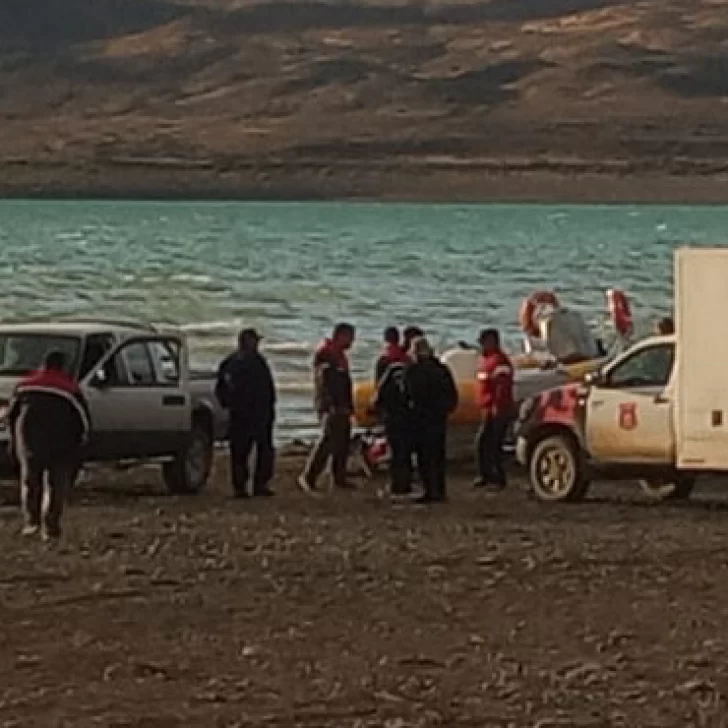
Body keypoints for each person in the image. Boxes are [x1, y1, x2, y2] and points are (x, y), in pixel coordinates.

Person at [7, 350, 90, 540]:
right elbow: (83, 421)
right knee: (55, 485)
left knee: (30, 482)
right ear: (62, 367)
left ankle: (31, 523)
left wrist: (14, 441)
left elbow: (11, 416)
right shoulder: (69, 389)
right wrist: (82, 444)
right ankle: (50, 528)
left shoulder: (24, 386)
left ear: (42, 364)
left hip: (28, 440)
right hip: (61, 443)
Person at [215, 328, 276, 498]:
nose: (257, 344)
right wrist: (230, 405)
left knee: (255, 452)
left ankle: (254, 485)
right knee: (243, 452)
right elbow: (222, 389)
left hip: (255, 413)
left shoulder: (248, 361)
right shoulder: (238, 363)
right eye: (254, 341)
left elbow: (221, 390)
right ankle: (245, 486)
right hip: (246, 414)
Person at [299, 322, 356, 493]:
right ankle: (309, 476)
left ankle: (339, 476)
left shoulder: (338, 355)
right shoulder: (327, 355)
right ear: (340, 336)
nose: (352, 342)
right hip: (332, 406)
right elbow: (325, 383)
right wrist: (332, 405)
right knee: (328, 440)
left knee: (343, 440)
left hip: (342, 405)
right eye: (350, 338)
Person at [404, 337, 458, 504]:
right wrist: (445, 410)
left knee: (424, 457)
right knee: (438, 456)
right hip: (439, 418)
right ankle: (440, 490)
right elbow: (452, 394)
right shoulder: (442, 369)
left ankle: (429, 490)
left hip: (420, 418)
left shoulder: (413, 371)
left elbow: (407, 393)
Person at [473, 328, 514, 491]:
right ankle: (486, 475)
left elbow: (502, 387)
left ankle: (497, 477)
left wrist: (498, 406)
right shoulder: (486, 360)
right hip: (488, 408)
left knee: (492, 444)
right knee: (484, 443)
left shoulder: (499, 361)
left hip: (497, 409)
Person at [375, 345, 414, 496]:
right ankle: (407, 483)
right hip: (410, 417)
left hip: (393, 416)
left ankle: (396, 485)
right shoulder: (416, 369)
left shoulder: (391, 368)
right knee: (406, 452)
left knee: (396, 452)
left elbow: (380, 393)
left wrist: (378, 409)